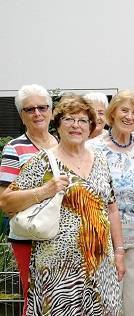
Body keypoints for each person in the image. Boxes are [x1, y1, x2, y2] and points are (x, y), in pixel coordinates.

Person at [1, 95, 124, 315]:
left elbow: (111, 207)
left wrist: (119, 253)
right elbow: (7, 202)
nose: (76, 125)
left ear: (91, 127)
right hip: (59, 268)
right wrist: (44, 191)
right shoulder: (43, 161)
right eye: (69, 119)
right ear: (58, 125)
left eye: (83, 121)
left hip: (100, 264)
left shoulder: (101, 161)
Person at [87, 90, 134, 316]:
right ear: (113, 113)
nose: (129, 116)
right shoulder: (92, 149)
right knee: (104, 304)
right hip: (102, 241)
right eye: (124, 110)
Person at [0, 84, 58, 314]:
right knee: (35, 300)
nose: (37, 113)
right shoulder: (14, 149)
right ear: (21, 116)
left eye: (42, 107)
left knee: (63, 300)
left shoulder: (64, 143)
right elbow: (6, 202)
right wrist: (43, 191)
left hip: (64, 237)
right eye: (29, 109)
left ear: (51, 111)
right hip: (30, 237)